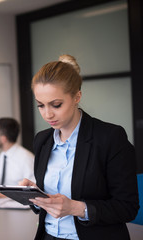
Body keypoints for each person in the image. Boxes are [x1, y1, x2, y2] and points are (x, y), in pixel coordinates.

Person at [19, 54, 139, 240]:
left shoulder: (110, 138)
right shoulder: (42, 140)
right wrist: (36, 195)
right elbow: (49, 206)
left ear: (77, 96)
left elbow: (127, 207)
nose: (48, 114)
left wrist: (76, 208)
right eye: (40, 106)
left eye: (56, 105)